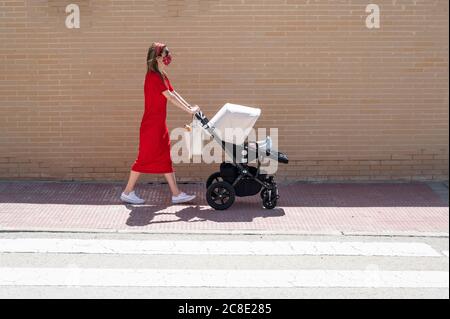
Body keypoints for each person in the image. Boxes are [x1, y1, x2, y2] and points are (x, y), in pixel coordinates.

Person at [121, 42, 200, 205]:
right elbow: (169, 97)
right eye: (166, 55)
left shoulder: (162, 75)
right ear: (157, 58)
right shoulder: (153, 77)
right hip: (151, 126)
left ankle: (176, 194)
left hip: (159, 124)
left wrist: (190, 107)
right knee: (143, 159)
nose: (168, 58)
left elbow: (174, 93)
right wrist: (189, 111)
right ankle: (127, 192)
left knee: (164, 158)